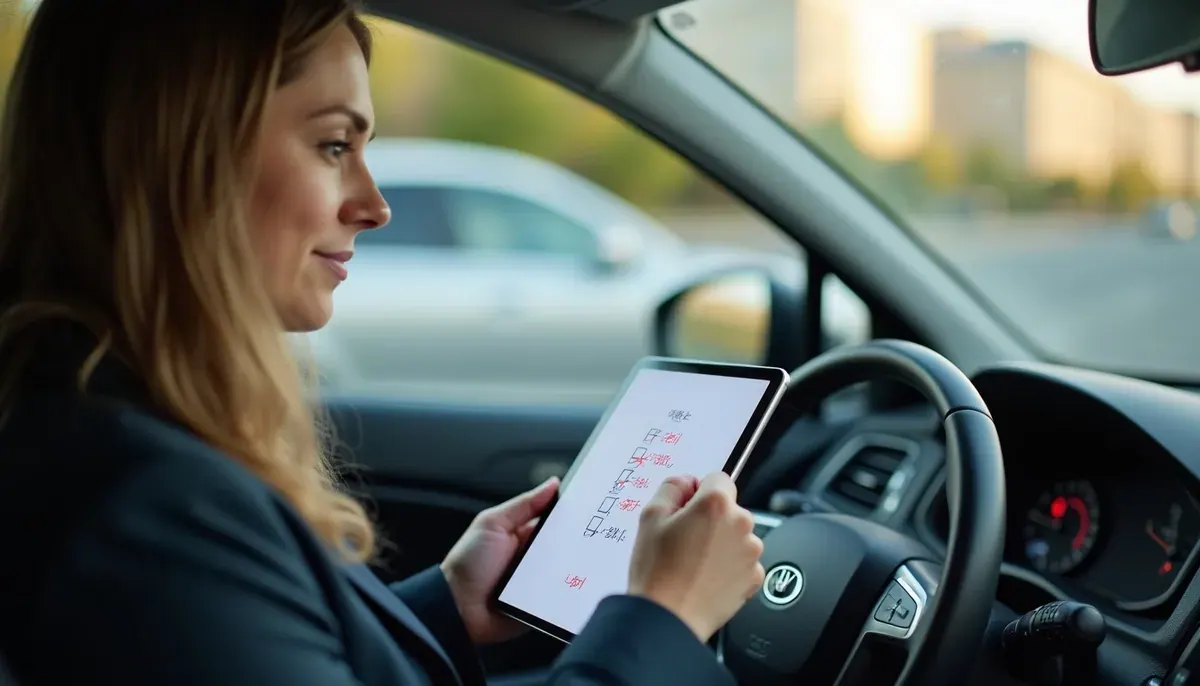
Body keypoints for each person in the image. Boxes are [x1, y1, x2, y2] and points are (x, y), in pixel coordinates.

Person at [0, 1, 766, 684]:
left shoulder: (117, 428)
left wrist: (447, 608)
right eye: (335, 146)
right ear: (182, 156)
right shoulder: (149, 509)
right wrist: (660, 621)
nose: (374, 205)